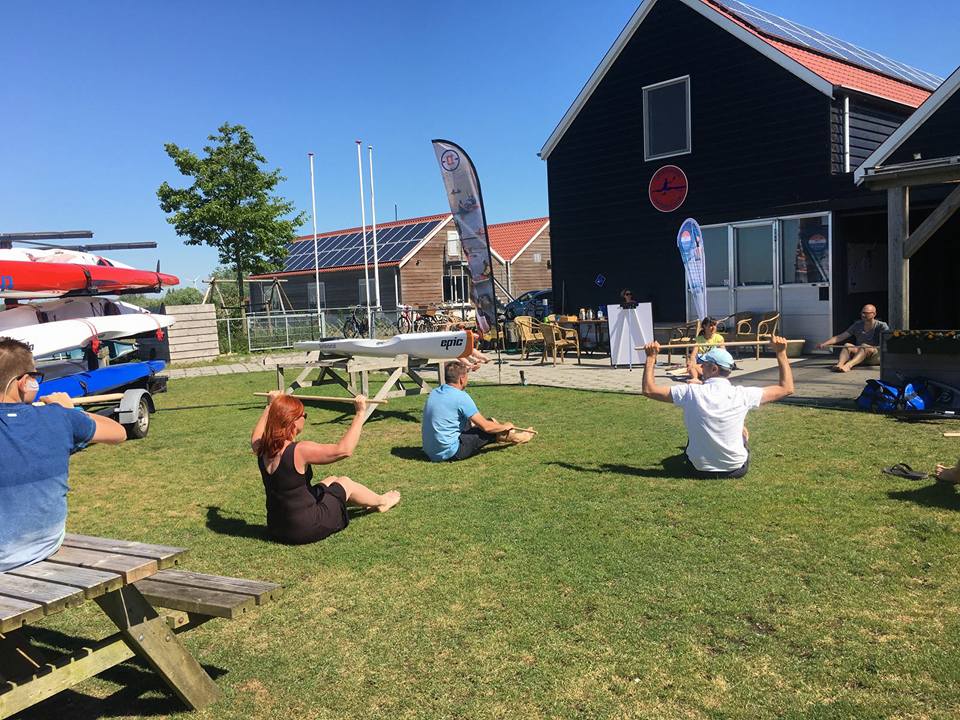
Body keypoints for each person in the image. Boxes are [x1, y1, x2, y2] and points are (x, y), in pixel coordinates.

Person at [0, 338, 127, 572]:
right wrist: (70, 411)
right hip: (45, 544)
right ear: (25, 382)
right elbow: (118, 432)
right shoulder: (58, 417)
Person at [251, 392, 400, 544]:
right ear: (293, 421)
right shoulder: (300, 450)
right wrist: (360, 413)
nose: (306, 418)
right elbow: (344, 450)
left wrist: (270, 406)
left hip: (276, 528)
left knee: (332, 480)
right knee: (345, 482)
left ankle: (366, 500)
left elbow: (256, 435)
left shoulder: (261, 447)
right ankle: (382, 501)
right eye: (304, 415)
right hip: (304, 528)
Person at [641, 337, 795, 478]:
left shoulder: (690, 392)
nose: (700, 367)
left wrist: (650, 358)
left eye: (704, 365)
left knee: (731, 431)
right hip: (735, 470)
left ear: (714, 369)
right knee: (743, 433)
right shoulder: (742, 394)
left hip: (697, 469)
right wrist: (781, 353)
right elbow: (786, 388)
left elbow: (649, 389)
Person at [422, 360, 535, 462]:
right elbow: (486, 427)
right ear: (461, 379)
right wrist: (504, 427)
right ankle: (520, 437)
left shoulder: (435, 392)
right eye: (467, 376)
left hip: (430, 451)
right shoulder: (461, 396)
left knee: (487, 422)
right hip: (451, 452)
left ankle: (503, 434)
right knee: (489, 429)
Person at [817, 304, 889, 372]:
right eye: (862, 313)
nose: (863, 315)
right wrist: (824, 344)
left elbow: (888, 339)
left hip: (875, 356)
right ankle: (839, 365)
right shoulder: (857, 325)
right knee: (847, 345)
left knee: (864, 346)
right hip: (859, 355)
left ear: (874, 314)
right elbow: (841, 336)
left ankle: (848, 365)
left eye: (866, 313)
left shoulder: (882, 325)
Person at [685, 316, 726, 383]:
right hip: (702, 364)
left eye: (714, 325)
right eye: (710, 326)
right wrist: (692, 362)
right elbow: (693, 355)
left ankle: (705, 376)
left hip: (713, 364)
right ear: (704, 326)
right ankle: (695, 379)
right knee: (690, 367)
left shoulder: (719, 338)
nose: (713, 328)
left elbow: (723, 353)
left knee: (714, 368)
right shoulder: (699, 339)